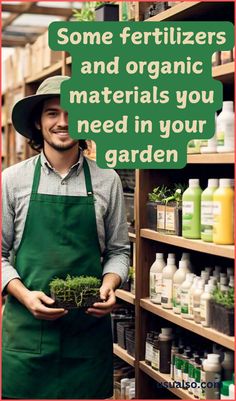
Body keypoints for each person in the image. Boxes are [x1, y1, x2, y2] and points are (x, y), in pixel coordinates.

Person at [2, 75, 130, 399]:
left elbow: (118, 251)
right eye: (52, 113)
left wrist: (110, 285)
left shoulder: (107, 180)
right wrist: (25, 296)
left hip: (86, 338)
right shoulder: (12, 181)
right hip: (27, 339)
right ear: (38, 122)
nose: (63, 122)